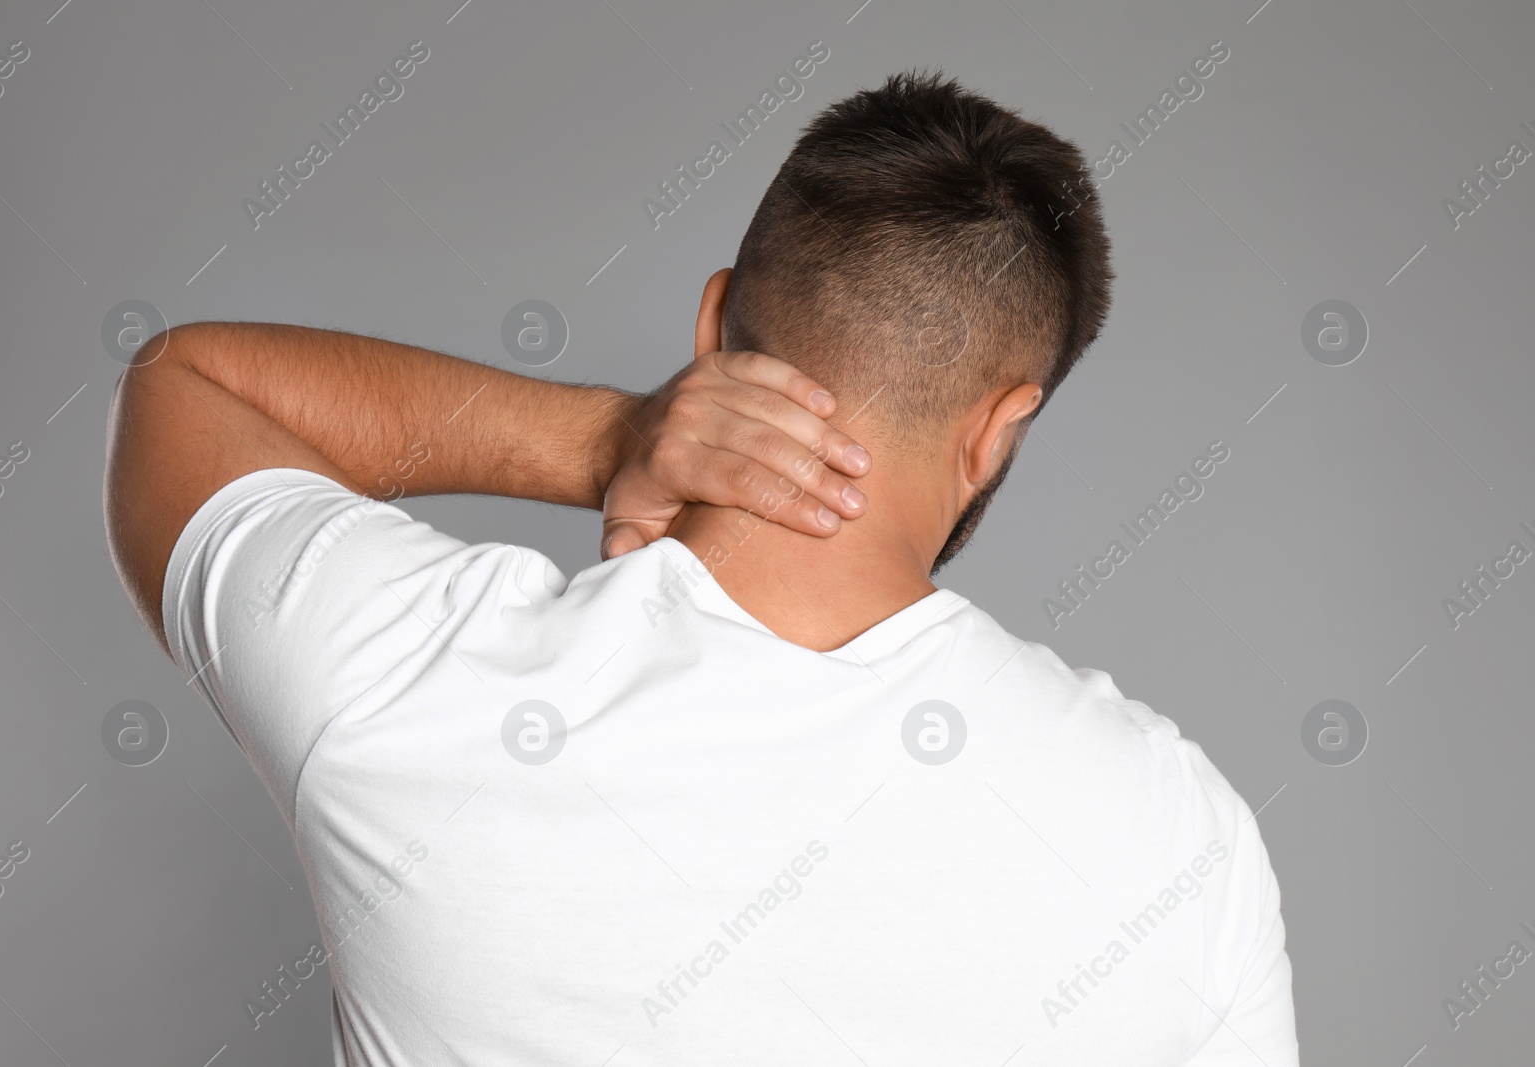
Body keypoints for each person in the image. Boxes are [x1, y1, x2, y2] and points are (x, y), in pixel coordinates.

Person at [106, 72, 1297, 1066]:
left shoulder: (416, 682)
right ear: (1000, 429)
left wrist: (604, 436)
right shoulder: (1181, 841)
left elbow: (184, 385)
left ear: (714, 321)